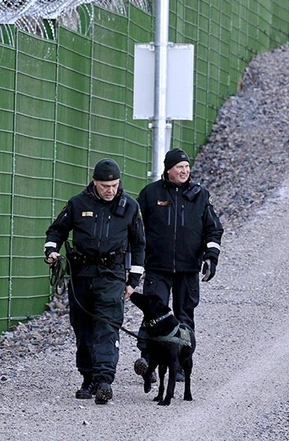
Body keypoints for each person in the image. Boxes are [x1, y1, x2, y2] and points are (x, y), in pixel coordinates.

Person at [44, 157, 145, 405]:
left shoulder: (129, 207)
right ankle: (88, 378)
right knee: (83, 328)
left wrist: (133, 280)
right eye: (105, 186)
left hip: (112, 276)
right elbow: (57, 230)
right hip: (82, 275)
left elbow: (139, 245)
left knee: (107, 327)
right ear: (94, 183)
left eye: (114, 185)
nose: (110, 191)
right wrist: (51, 251)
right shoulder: (78, 204)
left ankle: (103, 381)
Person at [134, 147, 223, 382]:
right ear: (168, 170)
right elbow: (134, 228)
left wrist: (210, 258)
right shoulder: (150, 194)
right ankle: (148, 362)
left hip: (188, 270)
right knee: (154, 314)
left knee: (184, 318)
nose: (184, 171)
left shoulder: (200, 196)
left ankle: (180, 365)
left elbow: (213, 229)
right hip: (157, 268)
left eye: (186, 167)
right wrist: (134, 262)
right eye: (179, 167)